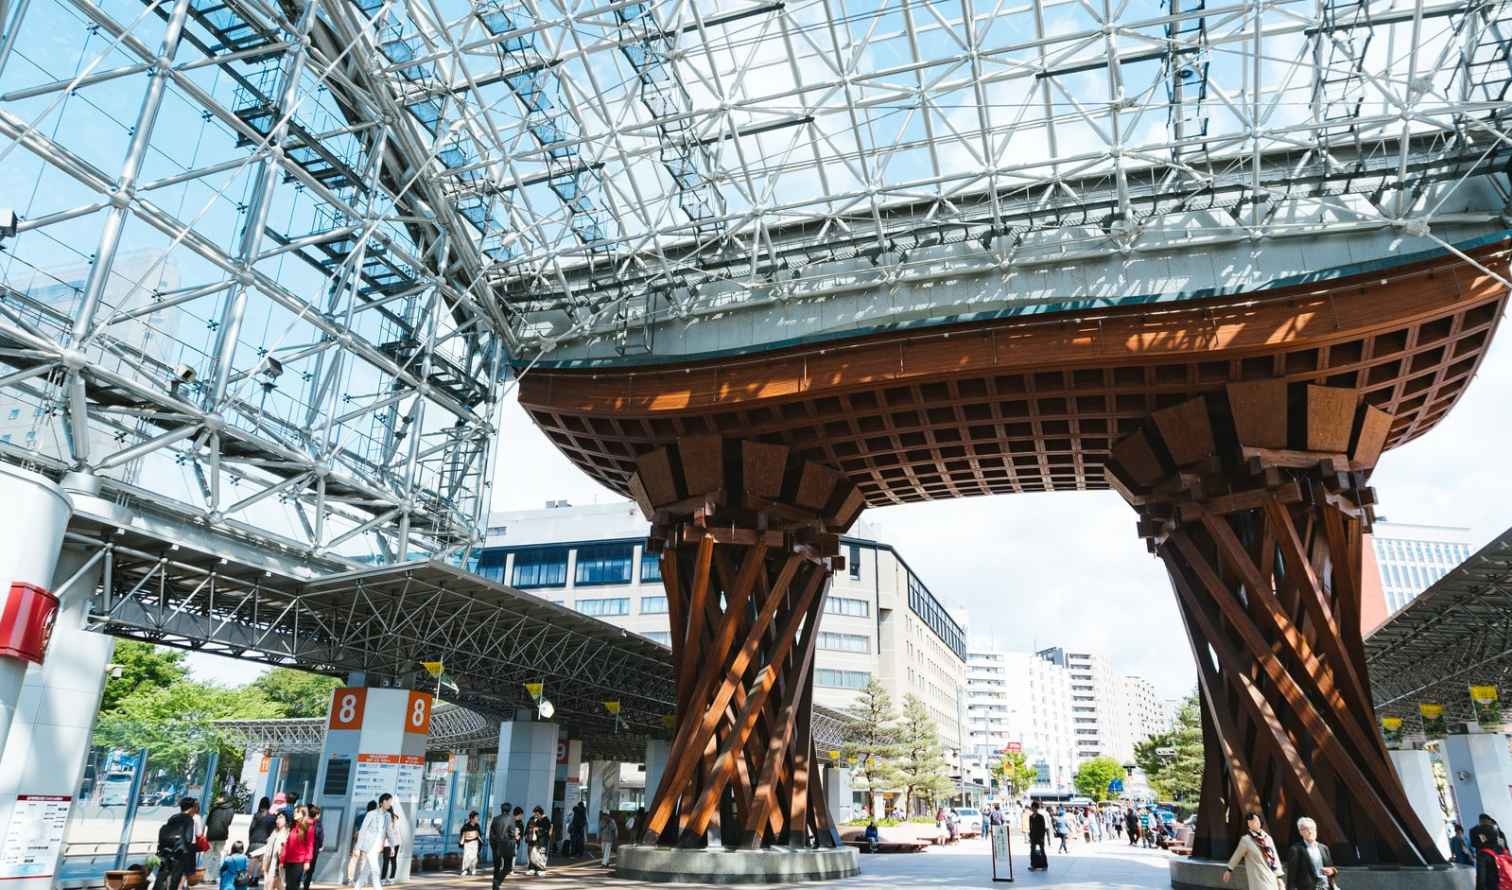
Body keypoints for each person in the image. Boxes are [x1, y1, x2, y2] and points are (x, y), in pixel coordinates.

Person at [1223, 812, 1285, 890]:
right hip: (1258, 879)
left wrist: (1279, 878)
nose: (1253, 823)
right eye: (1250, 822)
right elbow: (1237, 855)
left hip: (1272, 878)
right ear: (1248, 825)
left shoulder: (1268, 838)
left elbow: (1275, 858)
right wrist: (1229, 870)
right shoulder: (1246, 840)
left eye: (1255, 820)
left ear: (1260, 821)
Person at [153, 798, 199, 890]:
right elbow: (188, 838)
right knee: (175, 879)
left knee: (162, 875)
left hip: (165, 850)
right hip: (179, 852)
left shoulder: (173, 817)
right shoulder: (189, 820)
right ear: (191, 808)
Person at [1285, 816, 1337, 890]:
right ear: (1300, 832)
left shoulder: (1324, 848)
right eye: (1306, 829)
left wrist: (1332, 871)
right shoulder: (1295, 850)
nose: (1310, 831)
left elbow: (1331, 867)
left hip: (1326, 887)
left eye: (1312, 828)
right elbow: (1291, 876)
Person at [351, 797, 389, 890]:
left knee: (363, 864)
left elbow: (357, 831)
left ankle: (355, 884)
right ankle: (375, 887)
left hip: (364, 843)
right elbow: (363, 830)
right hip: (368, 845)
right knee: (374, 868)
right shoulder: (372, 816)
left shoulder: (361, 816)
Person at [249, 812, 289, 890]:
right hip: (271, 865)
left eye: (281, 817)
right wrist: (254, 853)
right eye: (277, 818)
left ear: (286, 820)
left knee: (279, 886)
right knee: (269, 886)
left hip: (280, 866)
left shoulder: (287, 834)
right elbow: (268, 848)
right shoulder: (274, 832)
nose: (278, 820)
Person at [281, 806, 315, 890]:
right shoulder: (293, 827)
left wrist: (307, 861)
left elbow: (310, 845)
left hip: (299, 861)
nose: (294, 814)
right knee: (288, 886)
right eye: (294, 812)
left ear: (303, 814)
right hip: (289, 860)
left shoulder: (309, 827)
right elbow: (287, 845)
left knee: (294, 886)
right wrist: (282, 860)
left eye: (297, 812)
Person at [247, 798, 276, 887]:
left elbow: (251, 828)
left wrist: (250, 839)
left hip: (254, 840)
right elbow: (272, 831)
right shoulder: (271, 817)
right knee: (260, 862)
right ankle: (256, 879)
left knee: (252, 860)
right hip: (264, 841)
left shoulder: (256, 815)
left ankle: (249, 878)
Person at [206, 796, 235, 877]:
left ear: (223, 798)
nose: (217, 798)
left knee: (208, 855)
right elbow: (229, 822)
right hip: (222, 835)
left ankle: (206, 876)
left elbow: (208, 822)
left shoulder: (214, 809)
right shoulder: (231, 810)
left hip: (211, 834)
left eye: (219, 797)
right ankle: (214, 876)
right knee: (218, 854)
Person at [489, 803, 514, 888]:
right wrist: (515, 835)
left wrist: (493, 845)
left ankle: (495, 887)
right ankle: (498, 881)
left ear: (501, 809)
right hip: (507, 846)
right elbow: (512, 833)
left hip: (496, 846)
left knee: (496, 867)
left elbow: (491, 834)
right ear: (509, 810)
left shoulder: (495, 819)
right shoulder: (511, 819)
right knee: (508, 867)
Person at [300, 805, 322, 890]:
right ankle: (306, 886)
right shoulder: (317, 824)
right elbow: (320, 837)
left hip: (302, 849)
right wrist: (320, 845)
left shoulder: (303, 822)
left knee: (300, 868)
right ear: (317, 814)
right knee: (310, 870)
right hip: (313, 850)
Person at [526, 806, 551, 877]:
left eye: (536, 814)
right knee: (532, 854)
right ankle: (531, 869)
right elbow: (528, 828)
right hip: (532, 840)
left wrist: (538, 829)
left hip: (542, 841)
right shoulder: (532, 819)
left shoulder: (546, 820)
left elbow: (546, 830)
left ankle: (540, 870)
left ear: (538, 813)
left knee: (541, 854)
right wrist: (527, 835)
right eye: (534, 814)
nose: (535, 815)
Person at [381, 798, 401, 883]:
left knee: (386, 861)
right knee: (393, 860)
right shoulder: (396, 818)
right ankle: (392, 878)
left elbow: (387, 832)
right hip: (396, 842)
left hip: (388, 842)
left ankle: (382, 879)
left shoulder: (387, 818)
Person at [459, 811, 482, 876]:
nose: (477, 818)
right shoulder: (466, 826)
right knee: (466, 856)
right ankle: (465, 869)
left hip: (475, 843)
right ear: (472, 818)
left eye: (477, 817)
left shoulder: (477, 826)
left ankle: (473, 868)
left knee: (474, 857)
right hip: (467, 843)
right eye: (476, 817)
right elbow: (462, 834)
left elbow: (479, 834)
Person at [1027, 801, 1049, 871]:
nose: (1033, 809)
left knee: (1042, 851)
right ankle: (1033, 865)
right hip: (1033, 836)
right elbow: (1030, 827)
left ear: (1037, 808)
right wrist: (1030, 836)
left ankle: (1045, 865)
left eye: (1034, 808)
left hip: (1040, 837)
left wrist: (1042, 837)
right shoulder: (1030, 817)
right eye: (1032, 808)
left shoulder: (1041, 817)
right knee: (1032, 851)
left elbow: (1043, 828)